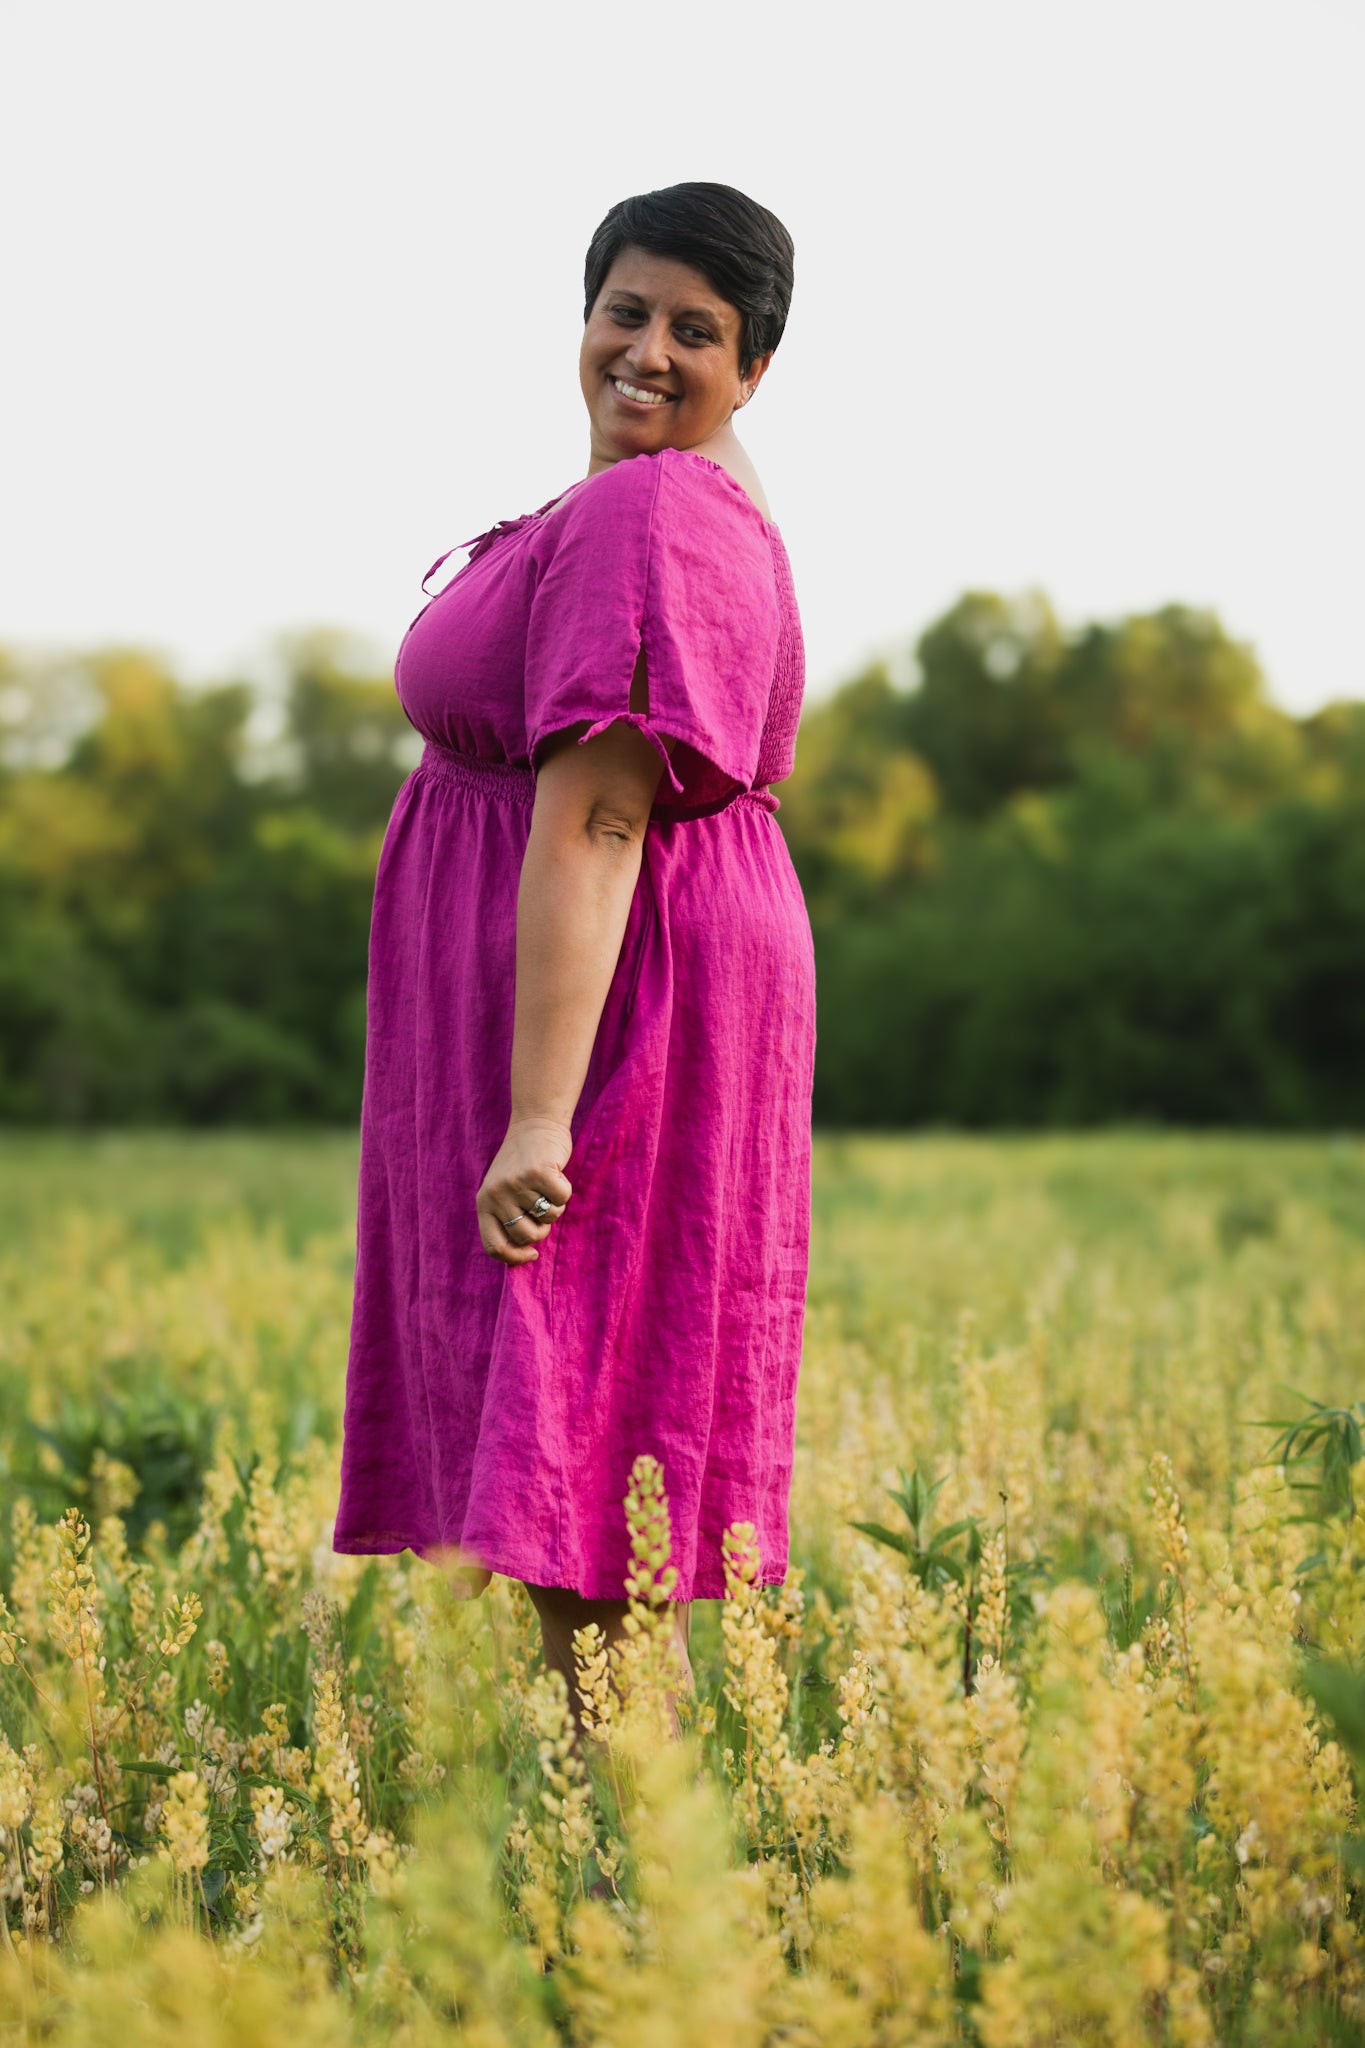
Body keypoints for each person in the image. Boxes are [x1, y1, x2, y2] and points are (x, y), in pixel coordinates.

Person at [332, 181, 815, 1741]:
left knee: (578, 1392)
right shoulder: (666, 490)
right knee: (593, 1408)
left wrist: (539, 1118)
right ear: (581, 316)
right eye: (625, 311)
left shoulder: (647, 512)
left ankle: (635, 1842)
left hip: (606, 998)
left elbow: (602, 818)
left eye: (698, 331)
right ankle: (629, 1828)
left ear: (754, 370)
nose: (647, 352)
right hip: (619, 971)